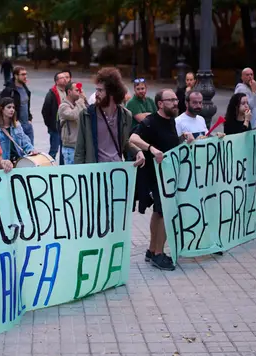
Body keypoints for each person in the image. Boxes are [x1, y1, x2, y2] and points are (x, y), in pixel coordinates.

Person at [129, 89, 195, 271]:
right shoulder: (150, 121)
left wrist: (183, 138)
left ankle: (152, 251)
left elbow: (169, 144)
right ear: (160, 103)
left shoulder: (172, 121)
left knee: (159, 213)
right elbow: (133, 138)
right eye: (171, 100)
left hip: (168, 176)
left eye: (176, 99)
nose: (176, 103)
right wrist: (151, 149)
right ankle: (159, 254)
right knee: (165, 212)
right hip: (155, 176)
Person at [75, 67, 143, 166]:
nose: (96, 94)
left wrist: (138, 151)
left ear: (111, 93)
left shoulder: (125, 115)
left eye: (100, 90)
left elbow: (125, 142)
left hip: (116, 170)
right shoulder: (86, 115)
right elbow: (79, 150)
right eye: (96, 90)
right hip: (95, 171)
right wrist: (79, 174)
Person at [0, 96, 36, 164]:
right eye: (9, 107)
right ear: (2, 109)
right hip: (4, 165)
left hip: (17, 162)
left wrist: (31, 149)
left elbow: (25, 141)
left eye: (13, 107)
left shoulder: (17, 126)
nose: (12, 110)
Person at [0, 66, 33, 144]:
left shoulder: (25, 89)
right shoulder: (9, 91)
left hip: (27, 125)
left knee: (31, 151)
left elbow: (27, 105)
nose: (25, 76)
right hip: (16, 126)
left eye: (26, 74)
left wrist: (29, 118)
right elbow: (1, 107)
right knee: (19, 152)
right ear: (16, 76)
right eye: (23, 74)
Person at [41, 71, 69, 161]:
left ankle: (62, 167)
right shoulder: (52, 93)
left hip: (65, 126)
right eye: (62, 78)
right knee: (54, 149)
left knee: (64, 151)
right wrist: (51, 125)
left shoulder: (68, 92)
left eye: (66, 77)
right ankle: (49, 166)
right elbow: (45, 111)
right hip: (55, 127)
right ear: (56, 81)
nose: (65, 79)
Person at [57, 81, 87, 165]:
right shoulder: (63, 106)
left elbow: (87, 114)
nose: (79, 93)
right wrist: (80, 101)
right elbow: (74, 115)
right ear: (69, 92)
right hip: (70, 147)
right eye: (77, 90)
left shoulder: (78, 104)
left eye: (80, 91)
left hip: (80, 146)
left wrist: (84, 100)